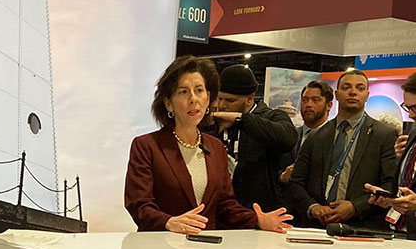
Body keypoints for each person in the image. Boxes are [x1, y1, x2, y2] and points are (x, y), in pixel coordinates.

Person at [124, 56, 293, 235]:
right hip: (160, 245)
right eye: (183, 92)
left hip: (205, 246)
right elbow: (139, 204)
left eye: (199, 90)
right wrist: (168, 222)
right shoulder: (147, 146)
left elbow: (225, 206)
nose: (193, 99)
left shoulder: (215, 147)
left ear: (208, 98)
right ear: (168, 103)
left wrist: (257, 219)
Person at [285, 69, 397, 229]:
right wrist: (313, 207)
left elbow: (389, 185)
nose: (353, 92)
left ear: (367, 95)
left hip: (362, 227)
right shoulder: (316, 136)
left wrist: (355, 207)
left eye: (360, 88)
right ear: (336, 94)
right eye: (346, 87)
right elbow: (295, 183)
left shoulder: (384, 135)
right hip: (317, 227)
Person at [208, 64, 297, 210]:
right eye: (220, 99)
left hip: (259, 208)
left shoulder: (272, 116)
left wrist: (241, 119)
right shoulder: (214, 121)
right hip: (221, 208)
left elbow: (288, 138)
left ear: (250, 99)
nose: (223, 105)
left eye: (230, 101)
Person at [366, 72, 416, 231]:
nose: (410, 115)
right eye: (407, 107)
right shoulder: (412, 135)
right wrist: (391, 198)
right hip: (400, 232)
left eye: (415, 108)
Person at [279, 81, 334, 185]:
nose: (308, 104)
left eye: (315, 100)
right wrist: (282, 177)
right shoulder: (289, 136)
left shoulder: (336, 137)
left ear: (329, 105)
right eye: (305, 100)